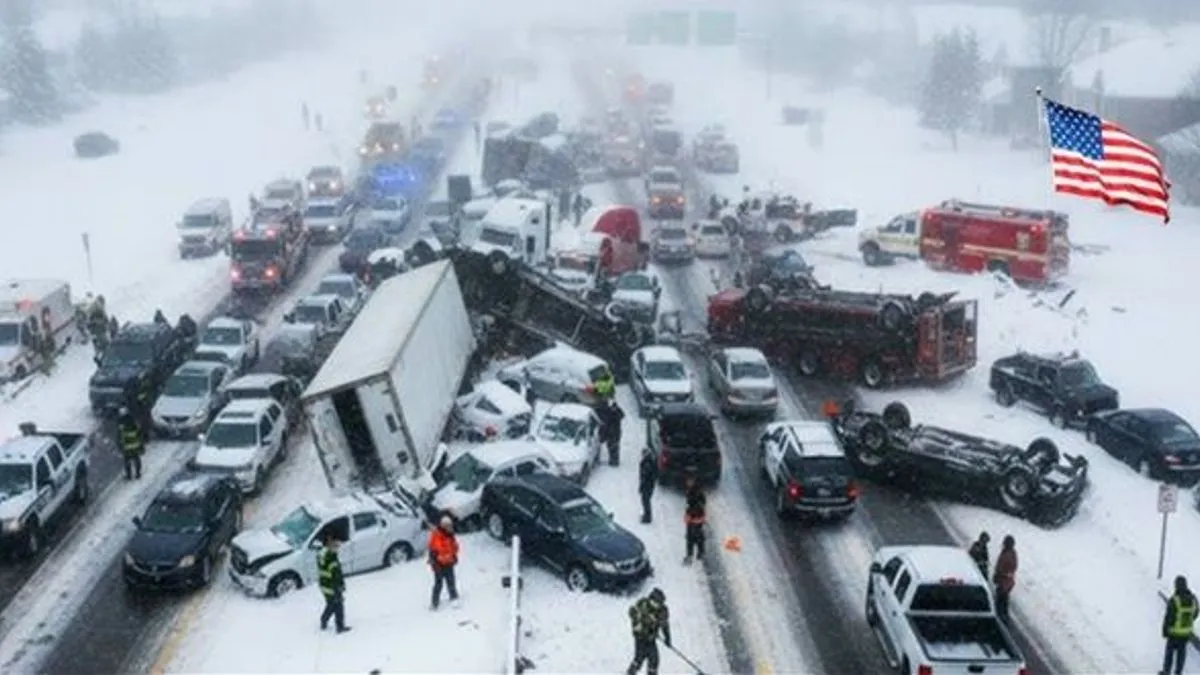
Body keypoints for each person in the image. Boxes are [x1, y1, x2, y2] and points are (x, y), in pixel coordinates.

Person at [627, 587, 671, 675]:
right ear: (651, 600)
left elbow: (664, 624)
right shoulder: (642, 605)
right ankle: (631, 672)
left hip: (651, 640)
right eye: (655, 603)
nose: (657, 605)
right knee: (639, 658)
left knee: (654, 659)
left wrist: (667, 638)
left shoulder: (662, 611)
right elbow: (632, 613)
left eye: (659, 604)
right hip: (640, 638)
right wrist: (641, 626)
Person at [1162, 575, 1197, 675]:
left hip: (1173, 632)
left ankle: (1166, 672)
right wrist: (1187, 622)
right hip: (1186, 633)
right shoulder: (1193, 599)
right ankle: (1178, 672)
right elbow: (1195, 613)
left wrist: (1165, 630)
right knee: (1181, 654)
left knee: (1169, 654)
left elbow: (1168, 617)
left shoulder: (1174, 600)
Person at [318, 533, 350, 633]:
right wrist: (339, 587)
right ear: (329, 543)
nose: (338, 546)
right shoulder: (331, 558)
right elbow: (336, 576)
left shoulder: (322, 554)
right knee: (338, 605)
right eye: (335, 545)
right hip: (332, 586)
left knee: (331, 604)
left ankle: (324, 620)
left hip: (325, 585)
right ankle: (340, 627)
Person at [428, 515, 460, 610]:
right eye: (447, 526)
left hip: (449, 562)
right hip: (438, 564)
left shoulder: (450, 536)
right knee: (439, 583)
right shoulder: (436, 535)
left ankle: (454, 597)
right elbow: (434, 549)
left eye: (450, 525)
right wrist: (434, 561)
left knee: (451, 580)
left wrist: (454, 555)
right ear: (443, 526)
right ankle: (434, 603)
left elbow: (455, 547)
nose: (450, 528)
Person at [993, 535, 1018, 622]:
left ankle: (1000, 618)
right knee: (1004, 598)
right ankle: (1003, 616)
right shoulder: (1011, 553)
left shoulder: (1008, 554)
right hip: (1006, 581)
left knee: (1001, 599)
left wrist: (1000, 574)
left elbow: (1004, 567)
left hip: (1004, 581)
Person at [683, 477, 706, 565]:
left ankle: (690, 556)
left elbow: (697, 505)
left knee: (691, 537)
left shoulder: (695, 493)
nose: (687, 483)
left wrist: (690, 514)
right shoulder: (693, 491)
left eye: (689, 481)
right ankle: (700, 553)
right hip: (695, 518)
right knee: (697, 536)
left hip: (695, 518)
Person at [117, 408, 144, 480]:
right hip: (135, 445)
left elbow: (120, 436)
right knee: (136, 459)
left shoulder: (121, 424)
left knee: (127, 461)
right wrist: (141, 444)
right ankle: (138, 473)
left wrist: (119, 446)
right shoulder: (133, 421)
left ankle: (129, 475)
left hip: (127, 446)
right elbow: (139, 432)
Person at [597, 398, 625, 467]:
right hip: (609, 432)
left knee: (614, 447)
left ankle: (614, 461)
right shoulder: (607, 411)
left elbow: (621, 415)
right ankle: (613, 460)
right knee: (610, 446)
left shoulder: (616, 413)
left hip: (614, 433)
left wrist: (616, 410)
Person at [638, 447, 658, 524]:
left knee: (645, 501)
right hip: (649, 485)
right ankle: (646, 515)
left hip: (647, 485)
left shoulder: (647, 463)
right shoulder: (651, 461)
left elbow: (645, 476)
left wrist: (641, 486)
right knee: (646, 501)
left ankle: (647, 517)